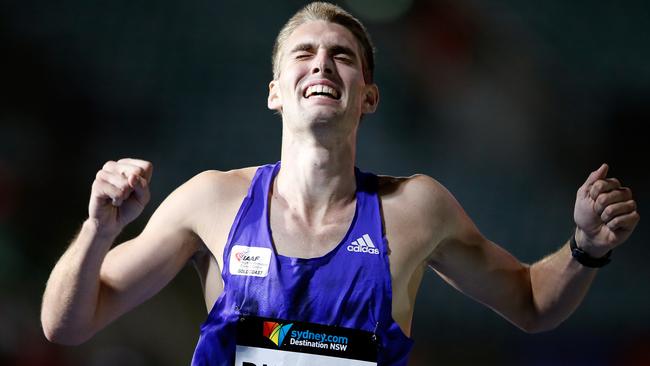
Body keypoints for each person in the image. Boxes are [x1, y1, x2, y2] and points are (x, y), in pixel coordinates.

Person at [41, 2, 640, 365]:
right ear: (275, 92)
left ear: (370, 96)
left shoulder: (417, 209)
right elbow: (66, 325)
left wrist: (585, 249)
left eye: (342, 56)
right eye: (303, 54)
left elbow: (532, 305)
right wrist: (99, 230)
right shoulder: (212, 200)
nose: (322, 63)